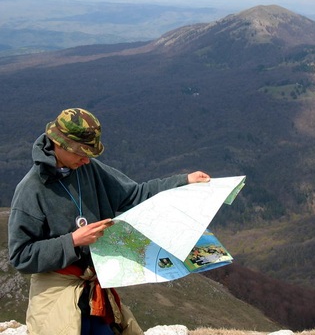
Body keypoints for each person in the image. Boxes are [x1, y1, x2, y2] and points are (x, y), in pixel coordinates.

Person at [8, 107, 210, 335]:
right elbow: (21, 255)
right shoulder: (31, 189)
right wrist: (73, 241)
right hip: (56, 293)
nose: (86, 160)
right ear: (59, 144)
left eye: (89, 154)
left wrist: (183, 181)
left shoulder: (89, 169)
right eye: (80, 153)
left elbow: (134, 194)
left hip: (95, 292)